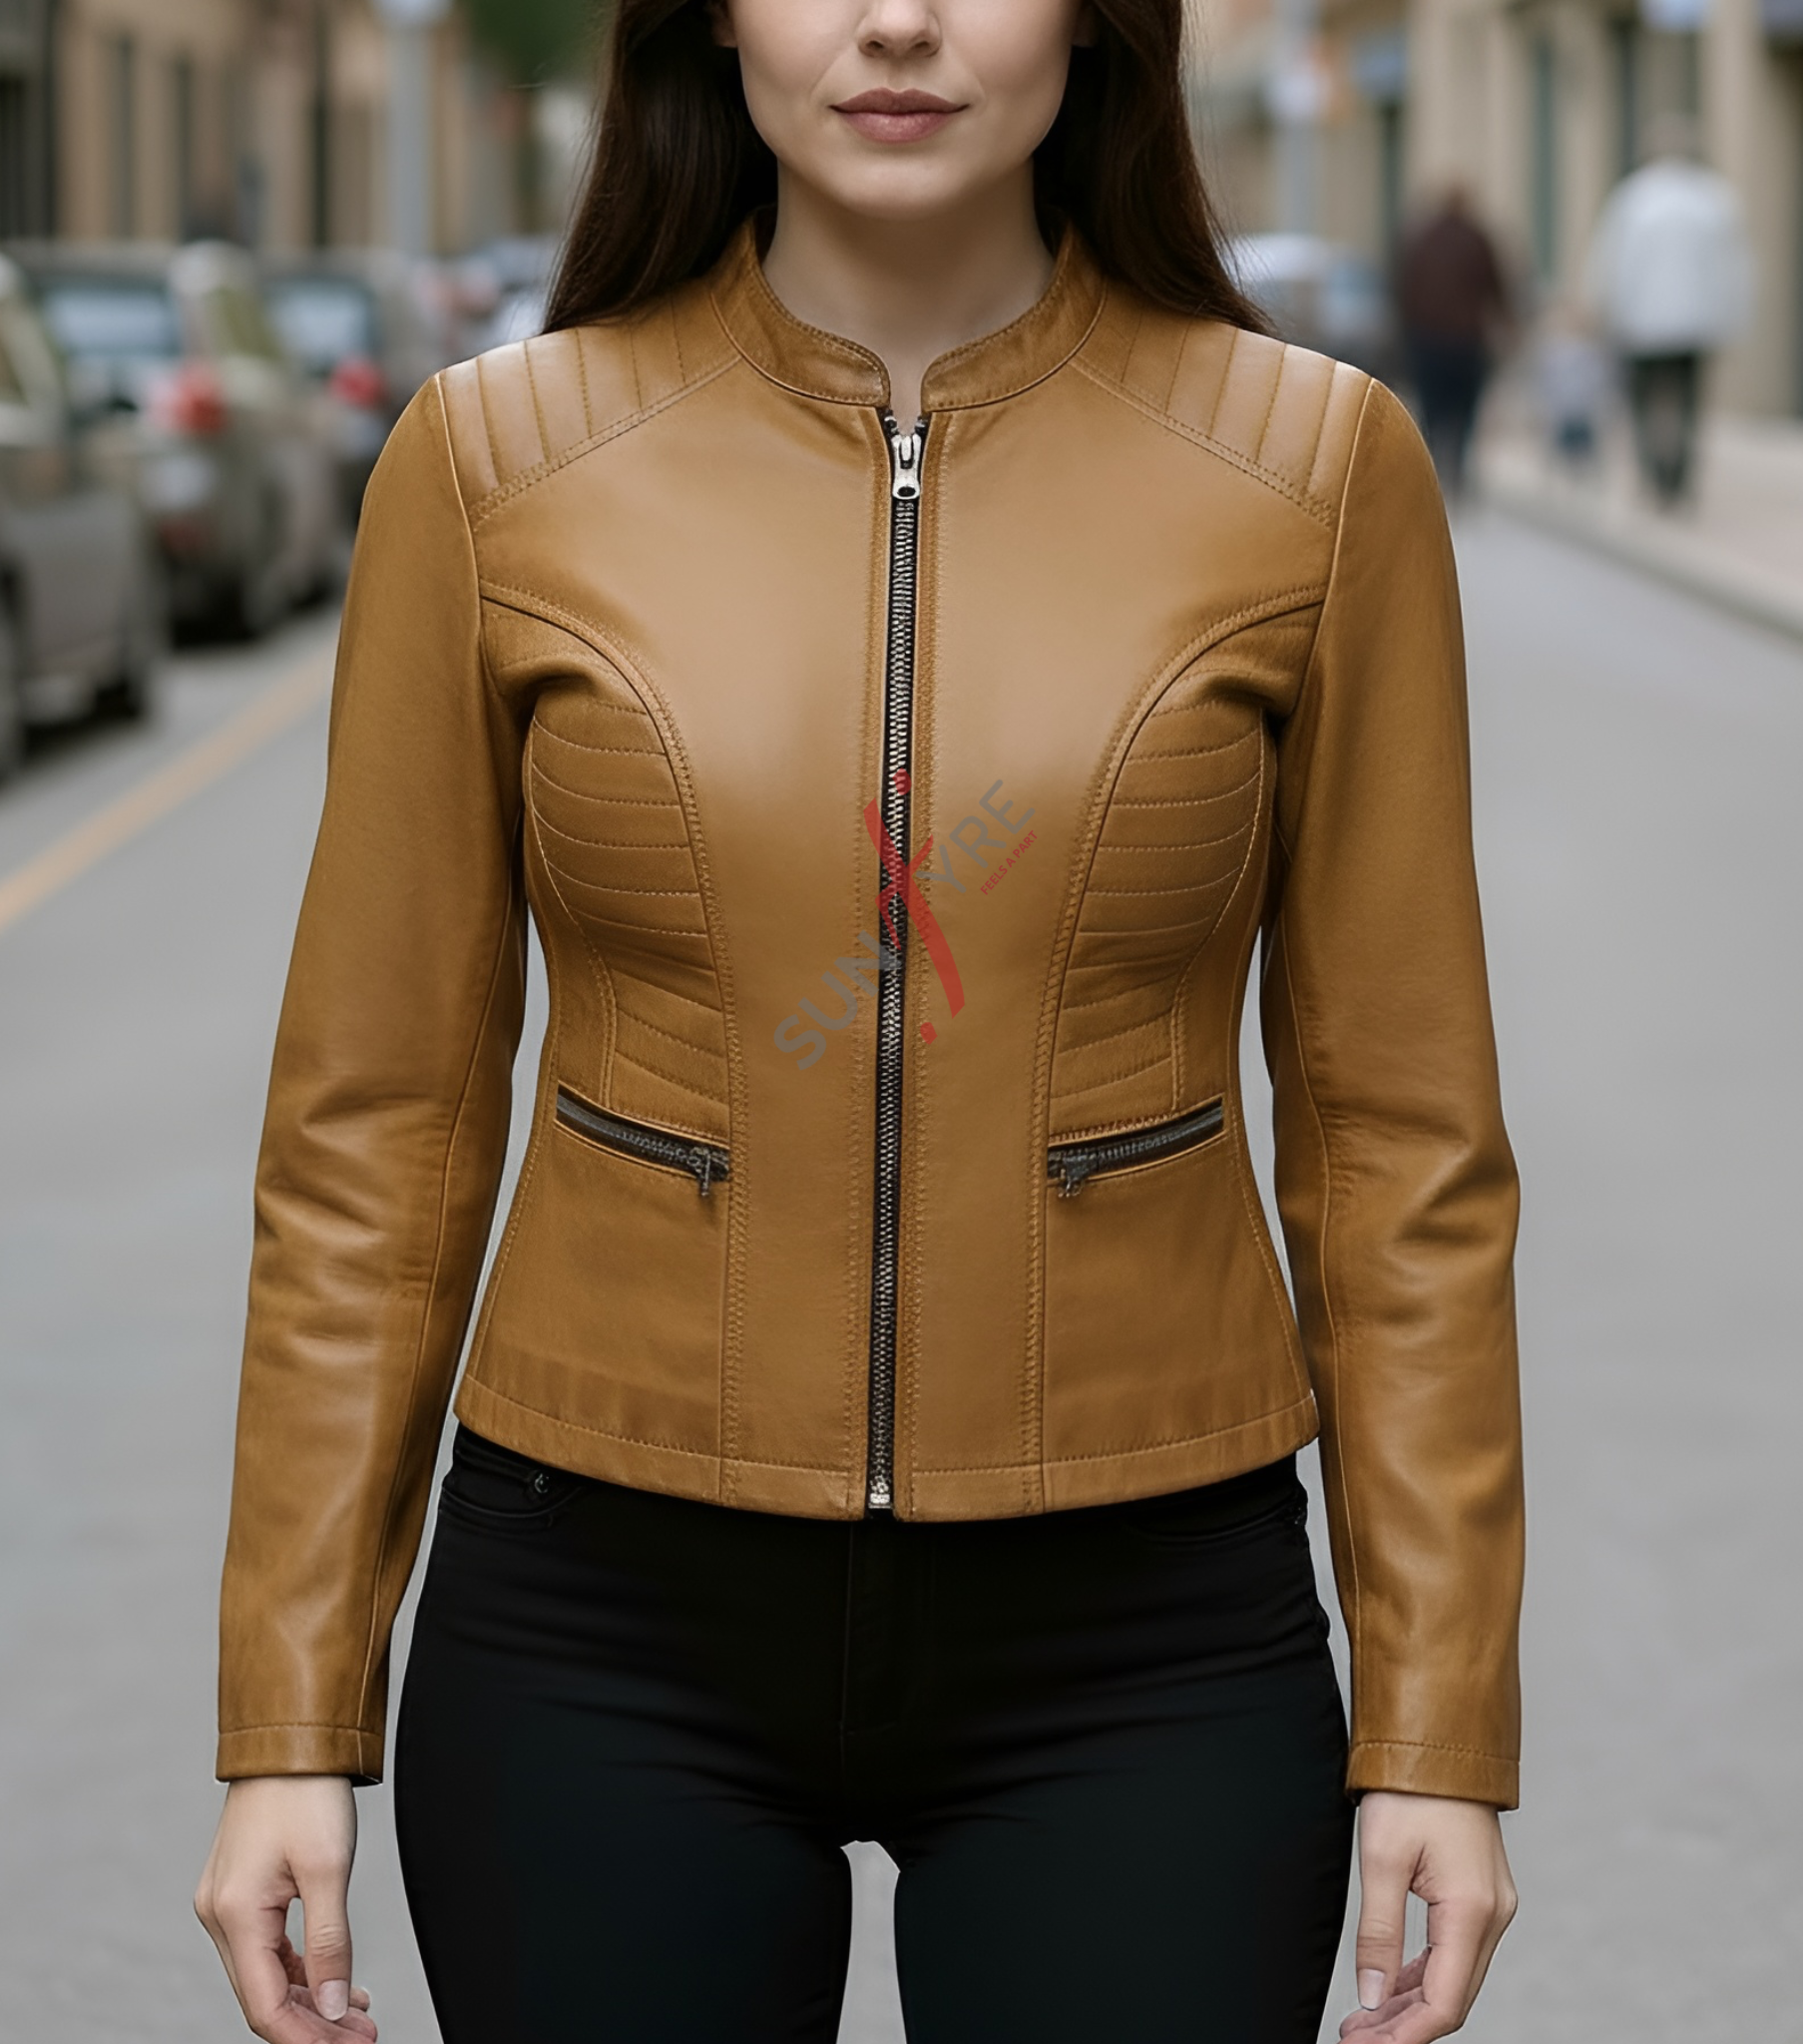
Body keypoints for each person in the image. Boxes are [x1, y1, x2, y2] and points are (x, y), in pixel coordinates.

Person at [194, 4, 1525, 2042]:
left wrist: (1436, 1724)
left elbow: (1398, 1152)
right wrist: (292, 1714)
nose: (896, 20)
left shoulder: (1313, 470)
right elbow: (373, 1134)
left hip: (1147, 1633)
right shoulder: (493, 464)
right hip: (601, 1623)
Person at [1585, 116, 1754, 506]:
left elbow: (1614, 261)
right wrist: (1733, 316)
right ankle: (1679, 472)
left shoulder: (1634, 197)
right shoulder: (1713, 198)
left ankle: (1653, 469)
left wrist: (1605, 307)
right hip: (1695, 320)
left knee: (1645, 397)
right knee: (1688, 397)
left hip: (1642, 321)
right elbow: (1735, 264)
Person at [1393, 185, 1511, 500]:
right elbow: (1496, 285)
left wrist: (1405, 335)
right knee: (1464, 409)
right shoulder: (1476, 239)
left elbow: (1404, 289)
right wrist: (1506, 324)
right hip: (1466, 341)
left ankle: (1432, 472)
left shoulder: (1422, 239)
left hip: (1428, 339)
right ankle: (1456, 467)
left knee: (1432, 407)